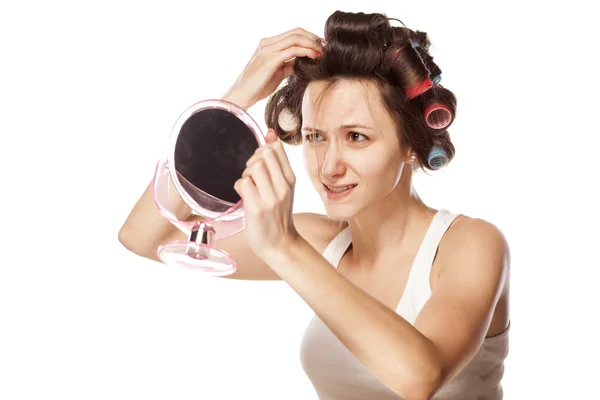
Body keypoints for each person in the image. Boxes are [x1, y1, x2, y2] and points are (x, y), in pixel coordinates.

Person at [118, 10, 510, 400]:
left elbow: (419, 377)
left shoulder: (470, 244)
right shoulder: (318, 241)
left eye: (356, 137)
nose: (328, 166)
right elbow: (144, 235)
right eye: (316, 136)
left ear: (410, 144)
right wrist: (235, 101)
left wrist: (283, 246)